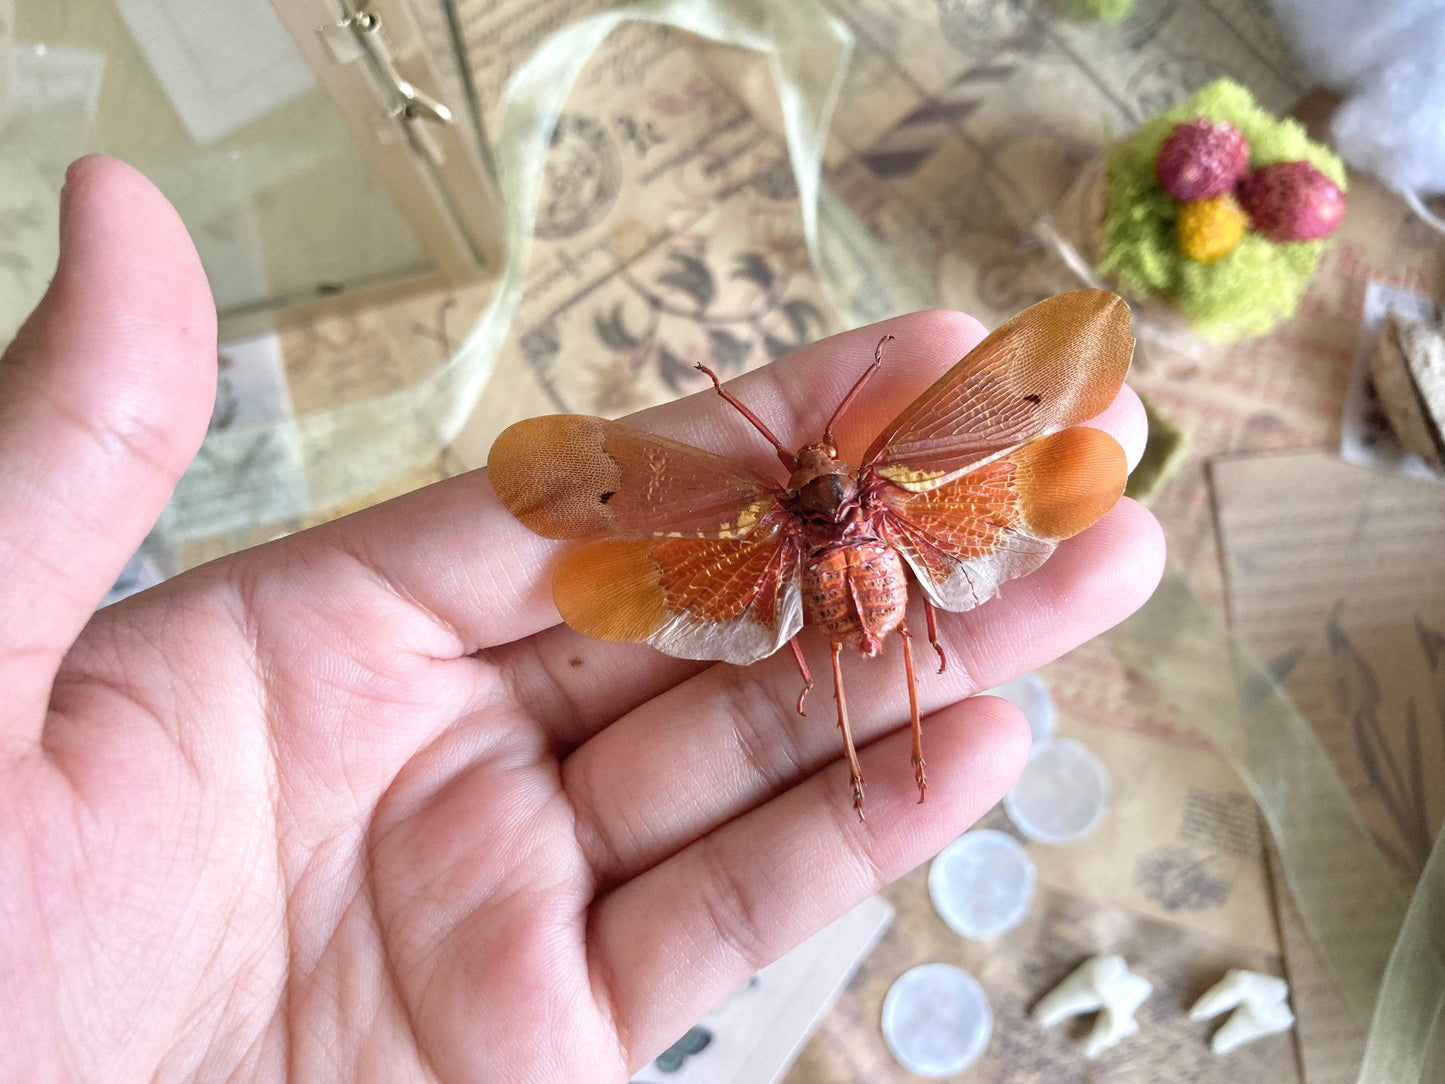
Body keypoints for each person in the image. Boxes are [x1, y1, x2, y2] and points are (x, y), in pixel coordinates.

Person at [0, 157, 1164, 1082]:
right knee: (903, 652)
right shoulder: (870, 484)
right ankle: (882, 746)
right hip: (892, 555)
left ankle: (876, 750)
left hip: (816, 582)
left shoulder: (781, 508)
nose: (817, 466)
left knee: (884, 657)